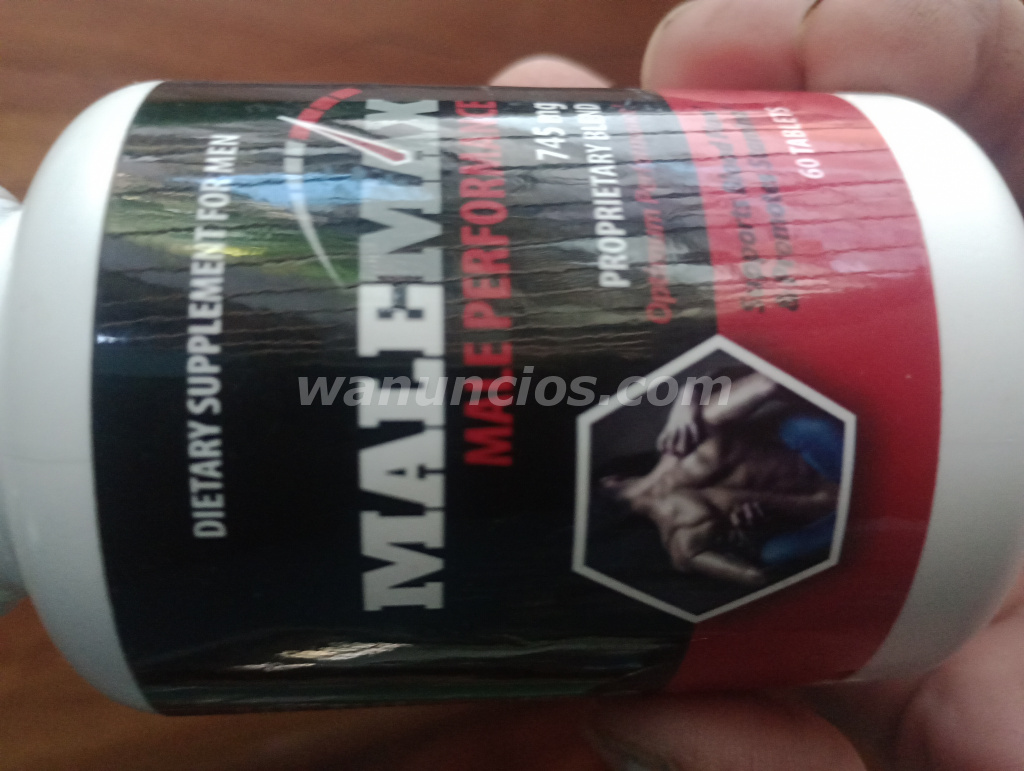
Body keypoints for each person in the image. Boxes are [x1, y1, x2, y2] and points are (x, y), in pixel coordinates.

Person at [492, 1, 1024, 769]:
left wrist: (691, 404)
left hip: (839, 503)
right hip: (836, 512)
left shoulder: (683, 470)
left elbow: (755, 421)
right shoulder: (681, 525)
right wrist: (730, 497)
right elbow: (742, 567)